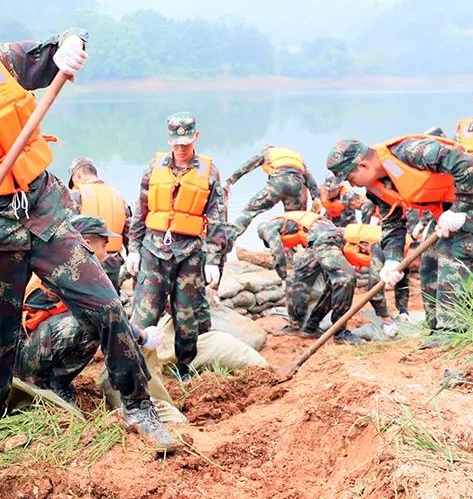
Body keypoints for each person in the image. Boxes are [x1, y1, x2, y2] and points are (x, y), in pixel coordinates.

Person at [0, 0, 176, 468]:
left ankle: (138, 406)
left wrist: (73, 45)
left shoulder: (2, 61)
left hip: (43, 213)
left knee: (105, 306)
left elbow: (61, 41)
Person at [326, 135, 473, 335]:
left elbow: (469, 166)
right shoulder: (375, 187)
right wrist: (393, 259)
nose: (352, 186)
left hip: (469, 200)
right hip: (445, 212)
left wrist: (460, 208)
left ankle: (454, 331)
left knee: (453, 259)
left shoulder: (412, 151)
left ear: (362, 166)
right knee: (429, 265)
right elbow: (392, 222)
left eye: (350, 178)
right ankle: (436, 329)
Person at [16, 215, 162, 405]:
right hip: (22, 360)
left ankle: (53, 382)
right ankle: (54, 384)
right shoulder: (68, 271)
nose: (107, 252)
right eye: (104, 244)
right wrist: (142, 337)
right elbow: (102, 313)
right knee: (91, 322)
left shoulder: (64, 265)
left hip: (30, 350)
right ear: (86, 244)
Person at [126, 112, 228, 380]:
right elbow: (141, 209)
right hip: (153, 252)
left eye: (186, 142)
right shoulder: (153, 169)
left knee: (186, 316)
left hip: (189, 255)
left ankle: (183, 368)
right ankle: (133, 367)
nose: (181, 149)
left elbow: (217, 219)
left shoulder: (210, 172)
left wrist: (214, 260)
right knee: (144, 312)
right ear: (169, 139)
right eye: (176, 143)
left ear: (196, 136)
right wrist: (134, 247)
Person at [257, 213, 363, 345]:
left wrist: (282, 275)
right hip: (332, 235)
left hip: (320, 239)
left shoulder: (268, 228)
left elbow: (277, 253)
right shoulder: (286, 219)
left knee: (296, 281)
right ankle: (311, 326)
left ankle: (298, 326)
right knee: (333, 283)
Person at [223, 145, 319, 238]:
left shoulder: (268, 153)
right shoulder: (296, 157)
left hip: (279, 183)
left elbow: (247, 166)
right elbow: (310, 178)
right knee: (293, 221)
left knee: (250, 210)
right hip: (297, 187)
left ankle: (229, 237)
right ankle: (293, 249)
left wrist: (229, 182)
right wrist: (316, 197)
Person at [67, 157, 130, 291]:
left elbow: (65, 231)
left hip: (86, 262)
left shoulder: (76, 196)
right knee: (110, 299)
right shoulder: (117, 196)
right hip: (113, 263)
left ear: (77, 175)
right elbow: (129, 231)